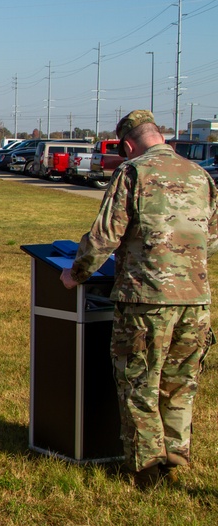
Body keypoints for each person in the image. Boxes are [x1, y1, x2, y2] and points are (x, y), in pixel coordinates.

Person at [61, 109, 218, 488]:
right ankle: (174, 458)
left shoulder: (132, 172)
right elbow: (210, 239)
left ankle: (146, 469)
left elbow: (105, 236)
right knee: (180, 384)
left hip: (146, 300)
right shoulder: (200, 175)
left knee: (139, 381)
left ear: (129, 145)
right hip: (195, 301)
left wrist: (75, 273)